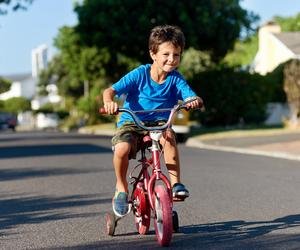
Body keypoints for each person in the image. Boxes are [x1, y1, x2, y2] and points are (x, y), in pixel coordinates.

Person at [102, 25, 203, 217]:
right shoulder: (140, 74)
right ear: (153, 54)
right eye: (166, 54)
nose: (171, 60)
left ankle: (175, 185)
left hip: (159, 123)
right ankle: (121, 187)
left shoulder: (175, 79)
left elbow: (190, 95)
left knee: (169, 137)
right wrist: (109, 102)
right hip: (132, 121)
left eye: (177, 55)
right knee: (122, 148)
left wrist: (194, 100)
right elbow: (110, 91)